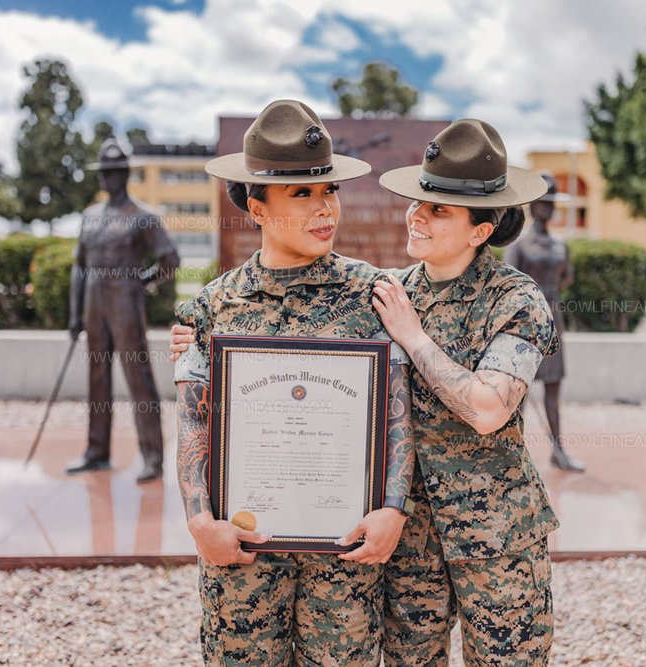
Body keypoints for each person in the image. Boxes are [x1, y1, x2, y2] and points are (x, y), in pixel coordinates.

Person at [172, 99, 415, 666]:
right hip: (244, 555)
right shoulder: (211, 308)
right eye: (301, 194)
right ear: (256, 207)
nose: (324, 207)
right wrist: (198, 521)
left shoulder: (374, 296)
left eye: (329, 191)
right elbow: (191, 422)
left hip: (343, 555)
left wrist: (394, 509)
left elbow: (398, 412)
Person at [371, 119, 559, 665]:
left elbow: (487, 409)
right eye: (418, 202)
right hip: (411, 539)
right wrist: (200, 339)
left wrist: (412, 336)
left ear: (480, 230)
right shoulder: (388, 292)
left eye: (438, 210)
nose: (417, 216)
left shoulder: (517, 300)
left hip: (497, 534)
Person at [66, 138, 179, 484]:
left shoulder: (144, 217)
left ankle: (153, 457)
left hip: (125, 302)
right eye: (102, 173)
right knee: (96, 377)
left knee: (138, 378)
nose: (106, 179)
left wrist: (142, 282)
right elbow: (79, 266)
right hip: (94, 305)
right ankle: (96, 452)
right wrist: (74, 315)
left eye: (112, 173)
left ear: (124, 174)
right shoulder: (89, 217)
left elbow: (170, 260)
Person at [504, 173, 584, 472]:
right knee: (520, 392)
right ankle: (513, 455)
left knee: (553, 387)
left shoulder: (559, 243)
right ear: (532, 204)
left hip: (554, 318)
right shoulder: (521, 244)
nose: (547, 208)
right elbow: (510, 284)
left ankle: (558, 450)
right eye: (543, 202)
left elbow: (567, 277)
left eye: (551, 203)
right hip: (527, 323)